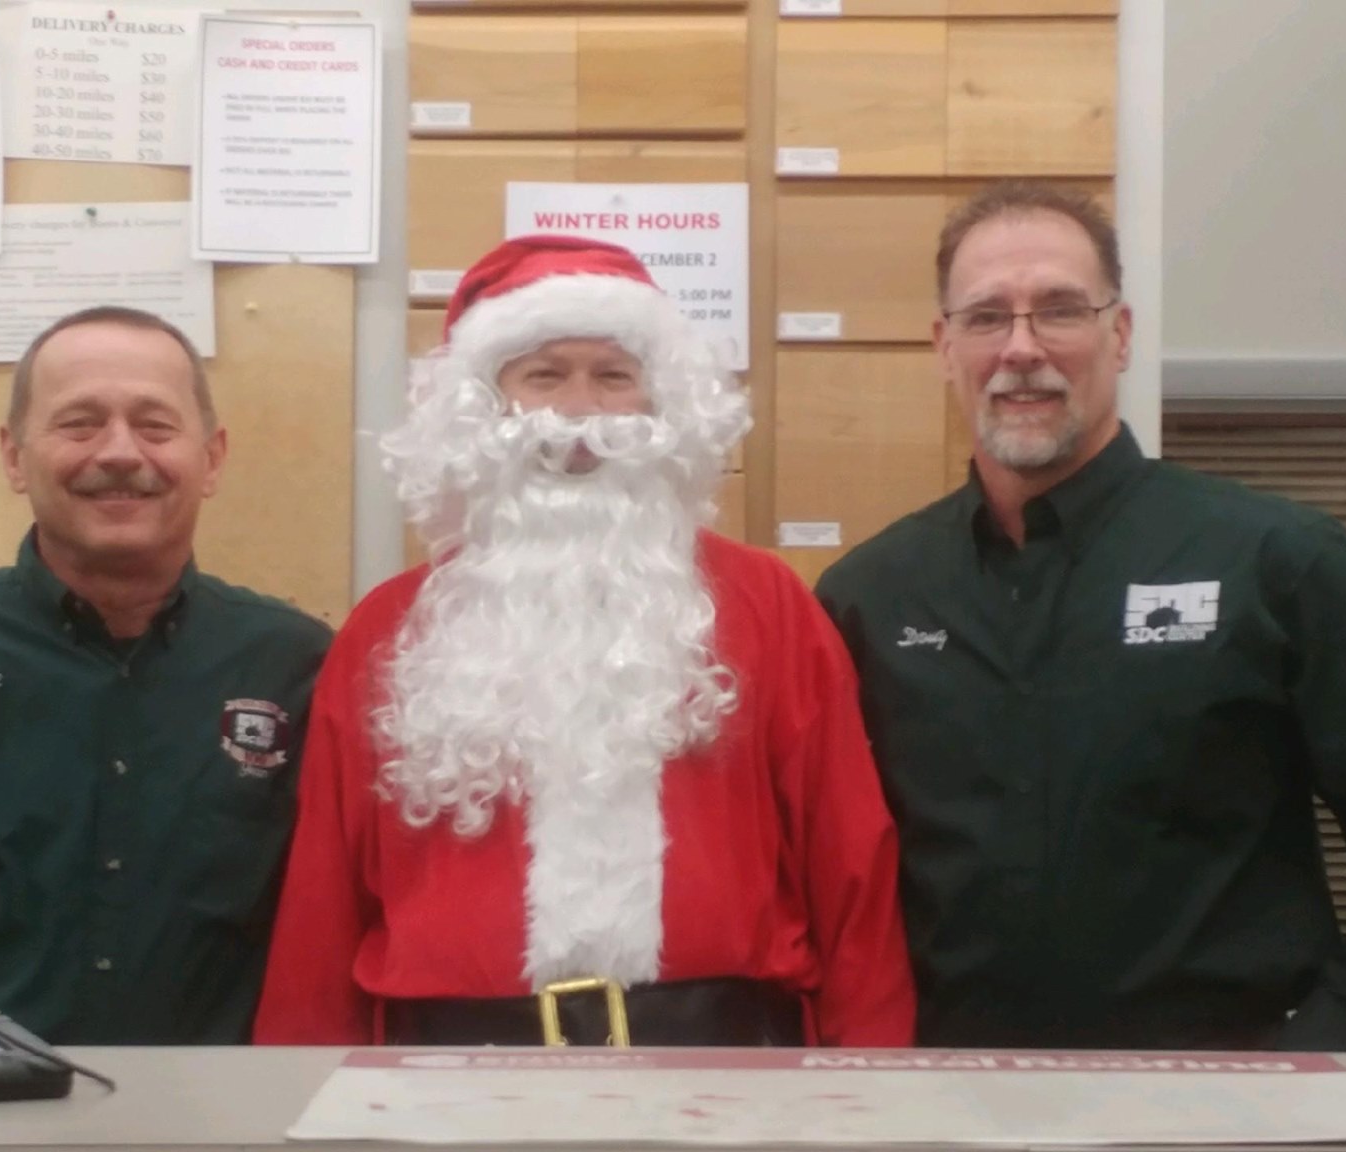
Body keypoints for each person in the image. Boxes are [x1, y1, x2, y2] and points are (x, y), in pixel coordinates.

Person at [815, 182, 1346, 1052]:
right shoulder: (871, 597)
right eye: (986, 317)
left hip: (1222, 1106)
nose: (1021, 349)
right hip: (948, 1099)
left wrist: (1324, 1049)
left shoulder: (1271, 560)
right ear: (945, 348)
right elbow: (824, 880)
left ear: (1122, 334)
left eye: (1060, 309)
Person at [252, 236, 913, 1047]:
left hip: (720, 1061)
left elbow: (852, 871)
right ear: (484, 408)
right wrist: (300, 1090)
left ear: (660, 404)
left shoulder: (767, 606)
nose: (579, 412)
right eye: (543, 376)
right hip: (452, 1073)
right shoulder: (387, 631)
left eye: (613, 376)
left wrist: (875, 1084)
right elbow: (322, 903)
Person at [0, 305, 333, 1045]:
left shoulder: (296, 667)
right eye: (79, 423)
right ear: (14, 457)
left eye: (156, 425)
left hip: (221, 1099)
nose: (120, 452)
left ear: (212, 457)